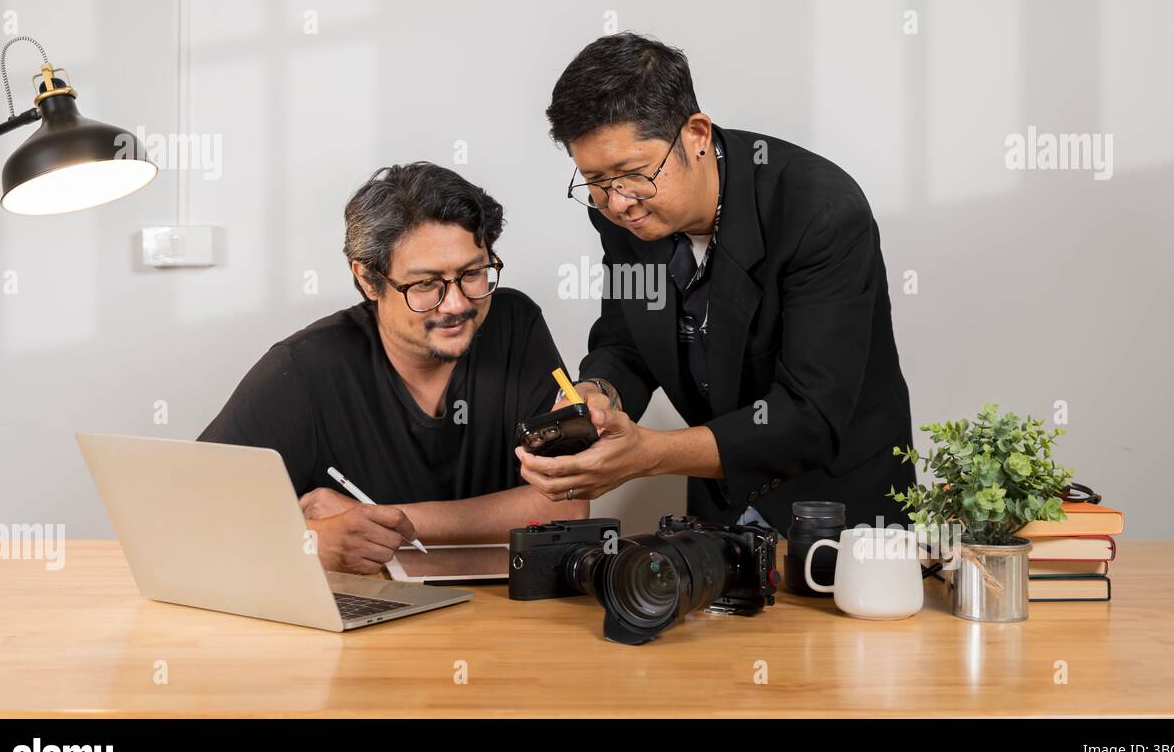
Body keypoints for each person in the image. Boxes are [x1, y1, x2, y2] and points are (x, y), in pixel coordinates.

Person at [517, 33, 914, 534]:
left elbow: (809, 416)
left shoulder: (821, 211)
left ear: (697, 135)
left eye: (632, 174)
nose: (617, 203)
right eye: (594, 181)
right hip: (720, 500)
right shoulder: (627, 216)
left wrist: (649, 454)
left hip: (839, 503)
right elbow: (628, 341)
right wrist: (597, 396)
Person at [200, 163, 586, 574]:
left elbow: (569, 501)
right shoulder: (305, 367)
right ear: (368, 279)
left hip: (505, 612)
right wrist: (307, 543)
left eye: (473, 273)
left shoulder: (515, 324)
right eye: (425, 284)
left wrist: (385, 522)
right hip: (363, 620)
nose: (457, 304)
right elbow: (191, 509)